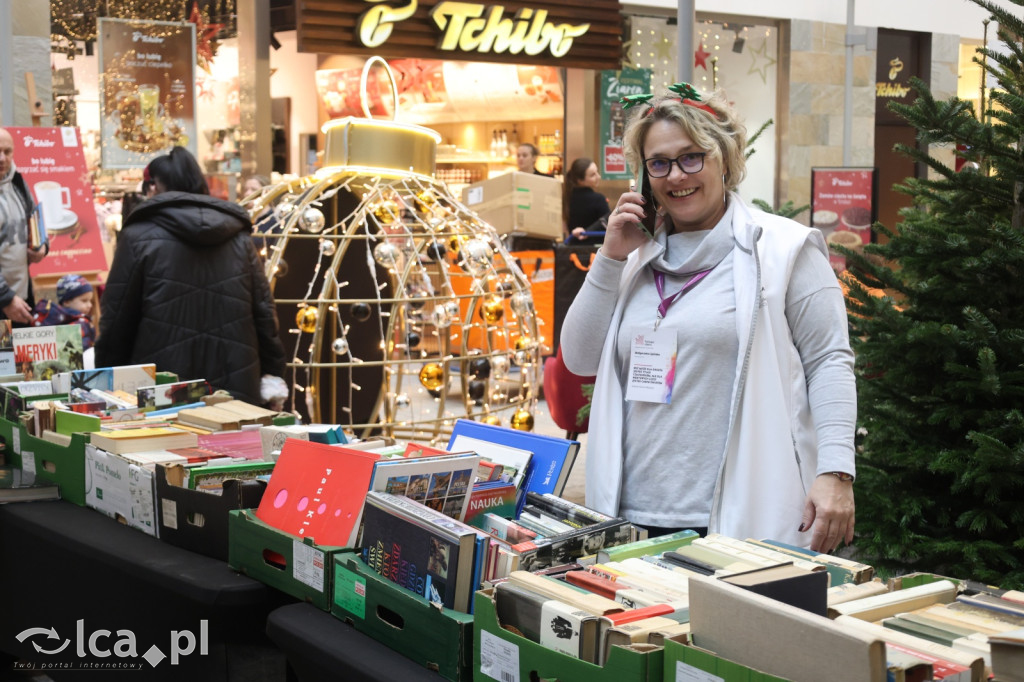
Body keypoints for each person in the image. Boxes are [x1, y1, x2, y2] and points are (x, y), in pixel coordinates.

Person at [560, 83, 856, 553]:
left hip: (738, 517)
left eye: (692, 157)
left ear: (725, 157)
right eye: (659, 163)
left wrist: (836, 472)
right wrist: (609, 258)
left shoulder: (783, 249)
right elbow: (578, 359)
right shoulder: (634, 257)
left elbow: (829, 361)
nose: (676, 176)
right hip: (629, 517)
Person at [95, 146, 287, 405]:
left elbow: (117, 318)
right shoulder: (238, 237)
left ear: (154, 188)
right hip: (236, 387)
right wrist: (273, 371)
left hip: (162, 391)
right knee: (234, 445)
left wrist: (106, 377)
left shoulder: (138, 237)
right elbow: (264, 311)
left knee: (165, 445)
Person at [0, 127, 49, 325]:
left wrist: (42, 247)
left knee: (18, 356)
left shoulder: (17, 181)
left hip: (20, 299)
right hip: (7, 300)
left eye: (7, 151)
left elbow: (34, 219)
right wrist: (6, 298)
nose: (2, 158)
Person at [32, 273, 97, 350]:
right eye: (84, 301)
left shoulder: (47, 318)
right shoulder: (80, 322)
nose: (90, 305)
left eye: (90, 301)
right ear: (66, 301)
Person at [562, 157, 610, 245]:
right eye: (593, 175)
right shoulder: (598, 199)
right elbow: (609, 227)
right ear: (580, 181)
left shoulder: (566, 197)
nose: (598, 177)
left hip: (572, 249)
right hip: (594, 251)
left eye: (597, 172)